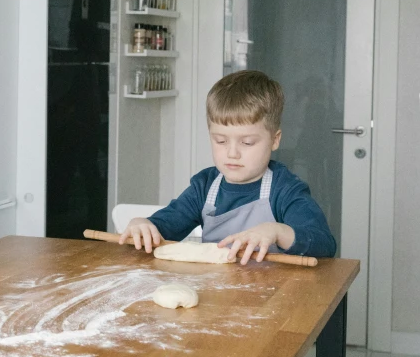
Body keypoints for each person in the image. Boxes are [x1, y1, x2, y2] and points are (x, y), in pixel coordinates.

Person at [118, 70, 336, 264]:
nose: (232, 153)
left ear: (275, 139)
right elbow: (166, 225)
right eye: (221, 141)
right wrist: (145, 225)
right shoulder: (204, 187)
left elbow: (324, 244)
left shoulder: (285, 190)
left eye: (247, 142)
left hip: (272, 300)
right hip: (217, 294)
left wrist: (278, 231)